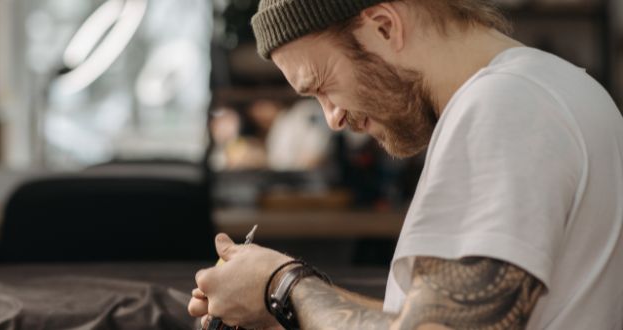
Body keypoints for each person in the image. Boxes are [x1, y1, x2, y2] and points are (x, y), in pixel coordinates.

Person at [189, 0, 623, 329]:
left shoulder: (505, 106)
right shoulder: (551, 87)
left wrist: (281, 286)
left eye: (322, 86)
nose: (332, 119)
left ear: (383, 26)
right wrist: (288, 311)